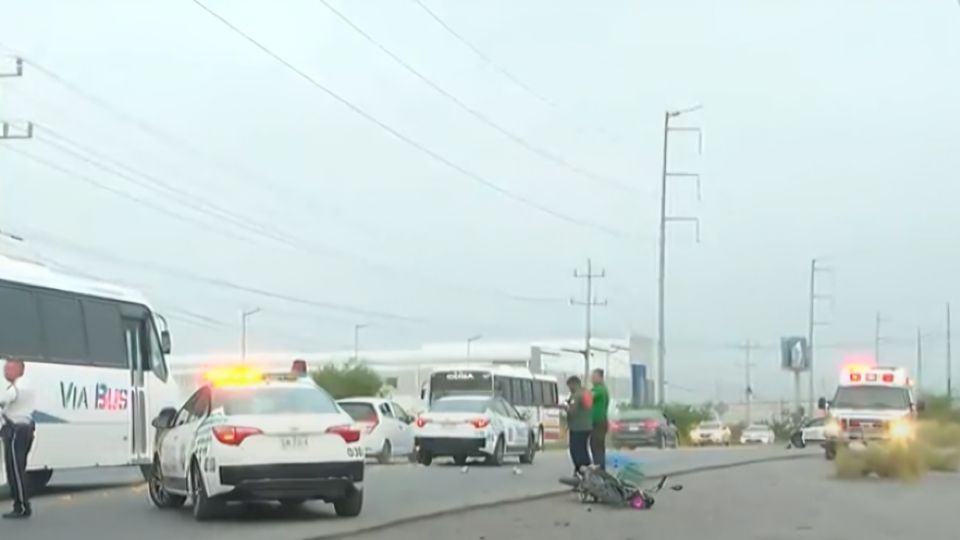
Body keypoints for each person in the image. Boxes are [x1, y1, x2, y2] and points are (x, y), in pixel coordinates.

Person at [1, 358, 35, 519]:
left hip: (17, 431)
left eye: (9, 368)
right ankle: (20, 504)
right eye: (5, 368)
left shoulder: (18, 388)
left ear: (19, 370)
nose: (5, 371)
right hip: (23, 430)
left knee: (15, 470)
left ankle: (22, 506)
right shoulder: (20, 386)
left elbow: (4, 400)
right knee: (16, 469)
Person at [562, 375, 592, 477]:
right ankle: (587, 469)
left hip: (578, 427)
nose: (569, 388)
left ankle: (581, 469)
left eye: (569, 386)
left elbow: (572, 411)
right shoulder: (586, 392)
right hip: (587, 426)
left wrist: (565, 408)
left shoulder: (577, 395)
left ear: (574, 384)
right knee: (583, 448)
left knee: (575, 449)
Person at [589, 368, 610, 471]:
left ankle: (600, 469)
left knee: (597, 446)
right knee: (595, 445)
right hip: (595, 422)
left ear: (600, 377)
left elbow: (587, 398)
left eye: (594, 376)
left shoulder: (600, 389)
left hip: (599, 422)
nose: (591, 379)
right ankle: (599, 468)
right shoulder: (596, 388)